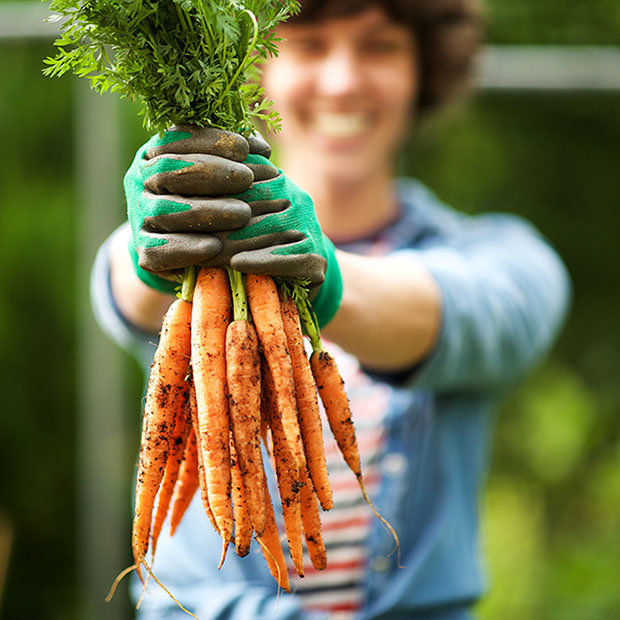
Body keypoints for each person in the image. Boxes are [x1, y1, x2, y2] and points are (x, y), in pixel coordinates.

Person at [91, 0, 571, 618]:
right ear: (252, 65)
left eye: (379, 47)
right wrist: (154, 239)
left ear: (425, 68)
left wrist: (327, 277)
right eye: (310, 44)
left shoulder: (502, 257)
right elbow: (123, 291)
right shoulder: (186, 258)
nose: (343, 81)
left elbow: (473, 314)